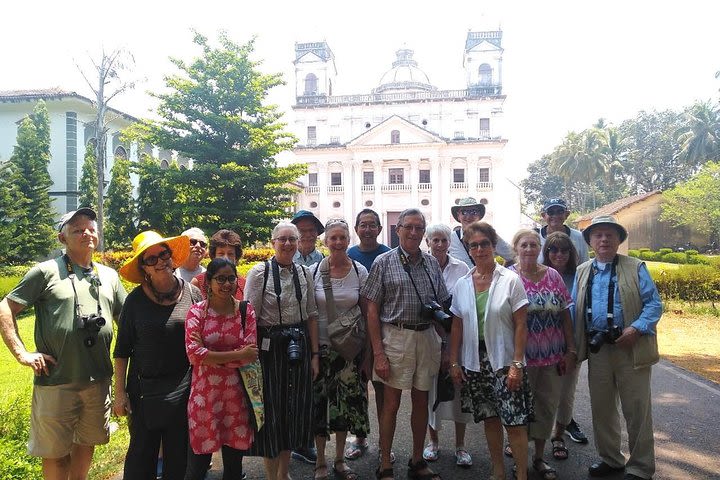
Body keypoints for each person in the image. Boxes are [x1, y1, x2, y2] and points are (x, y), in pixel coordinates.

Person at [0, 208, 126, 480]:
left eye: (91, 228)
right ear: (62, 237)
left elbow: (127, 321)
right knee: (55, 453)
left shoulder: (110, 276)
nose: (86, 233)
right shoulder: (45, 272)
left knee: (86, 442)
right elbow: (5, 308)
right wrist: (22, 353)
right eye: (78, 229)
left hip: (98, 378)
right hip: (55, 379)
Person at [363, 208, 449, 480]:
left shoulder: (431, 263)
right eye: (408, 226)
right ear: (397, 229)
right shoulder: (383, 262)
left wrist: (445, 346)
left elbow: (442, 303)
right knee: (391, 403)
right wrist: (378, 352)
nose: (414, 232)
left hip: (426, 337)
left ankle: (417, 459)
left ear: (424, 233)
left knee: (421, 400)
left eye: (419, 228)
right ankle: (385, 460)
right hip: (396, 337)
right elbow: (372, 310)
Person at [573, 216, 662, 480]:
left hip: (629, 348)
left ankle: (641, 467)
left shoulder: (635, 267)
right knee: (602, 409)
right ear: (589, 241)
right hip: (598, 350)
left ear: (618, 240)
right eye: (597, 235)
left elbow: (654, 305)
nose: (603, 240)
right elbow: (572, 306)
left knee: (636, 410)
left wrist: (635, 328)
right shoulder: (582, 270)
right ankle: (611, 459)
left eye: (609, 235)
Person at [113, 231, 201, 480]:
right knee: (141, 460)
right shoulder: (135, 301)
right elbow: (122, 351)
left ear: (172, 257)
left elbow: (202, 341)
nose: (160, 261)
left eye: (163, 254)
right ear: (144, 268)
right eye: (151, 259)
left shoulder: (193, 295)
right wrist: (119, 394)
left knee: (179, 461)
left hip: (184, 390)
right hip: (144, 392)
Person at [447, 221, 532, 480]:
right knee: (490, 418)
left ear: (494, 246)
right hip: (475, 362)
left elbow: (521, 324)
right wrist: (454, 362)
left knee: (515, 421)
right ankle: (498, 472)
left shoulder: (510, 280)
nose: (480, 249)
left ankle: (522, 476)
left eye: (485, 244)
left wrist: (517, 364)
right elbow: (457, 326)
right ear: (468, 249)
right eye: (474, 245)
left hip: (505, 361)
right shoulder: (462, 283)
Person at [243, 221, 320, 480]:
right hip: (269, 351)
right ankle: (270, 475)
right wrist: (250, 359)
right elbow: (249, 318)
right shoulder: (259, 272)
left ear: (299, 243)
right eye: (282, 239)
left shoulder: (304, 273)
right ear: (273, 242)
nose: (287, 244)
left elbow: (311, 314)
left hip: (298, 346)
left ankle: (283, 474)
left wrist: (315, 355)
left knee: (293, 411)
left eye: (292, 239)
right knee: (272, 412)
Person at [508, 229, 576, 480]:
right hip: (521, 358)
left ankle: (538, 458)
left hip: (551, 356)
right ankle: (520, 461)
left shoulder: (553, 275)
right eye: (524, 244)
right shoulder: (508, 277)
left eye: (534, 245)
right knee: (520, 410)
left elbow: (565, 314)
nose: (529, 249)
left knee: (546, 407)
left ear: (540, 249)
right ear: (516, 247)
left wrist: (570, 350)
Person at [184, 258, 259, 480]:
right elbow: (193, 355)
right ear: (208, 282)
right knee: (197, 467)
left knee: (234, 467)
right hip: (205, 399)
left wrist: (211, 355)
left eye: (230, 278)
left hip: (236, 398)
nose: (226, 284)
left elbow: (251, 356)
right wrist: (237, 354)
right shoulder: (197, 313)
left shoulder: (246, 312)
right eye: (220, 279)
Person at [311, 219, 369, 480]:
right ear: (325, 241)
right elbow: (310, 315)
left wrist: (366, 354)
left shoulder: (359, 271)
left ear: (348, 240)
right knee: (319, 405)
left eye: (341, 238)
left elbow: (368, 314)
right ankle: (320, 460)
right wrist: (312, 352)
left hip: (349, 352)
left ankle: (339, 459)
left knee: (345, 406)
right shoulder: (312, 271)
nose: (337, 242)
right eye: (332, 238)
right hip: (320, 349)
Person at [420, 224, 473, 467]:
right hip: (428, 338)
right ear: (427, 241)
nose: (439, 245)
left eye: (444, 240)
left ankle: (460, 446)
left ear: (449, 242)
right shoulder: (420, 266)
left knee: (458, 389)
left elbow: (465, 306)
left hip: (456, 338)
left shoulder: (462, 268)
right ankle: (434, 443)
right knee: (430, 390)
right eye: (435, 240)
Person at [345, 208, 391, 461]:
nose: (368, 229)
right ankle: (359, 437)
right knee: (357, 387)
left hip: (383, 329)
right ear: (356, 229)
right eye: (363, 225)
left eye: (372, 225)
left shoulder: (389, 255)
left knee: (382, 387)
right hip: (355, 331)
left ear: (380, 229)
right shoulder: (349, 255)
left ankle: (386, 443)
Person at [541, 232, 584, 459]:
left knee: (565, 394)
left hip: (570, 346)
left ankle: (558, 436)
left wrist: (574, 348)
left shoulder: (580, 276)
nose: (559, 254)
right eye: (553, 250)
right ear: (546, 252)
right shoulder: (538, 274)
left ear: (571, 252)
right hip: (541, 346)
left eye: (564, 250)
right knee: (539, 394)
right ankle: (528, 438)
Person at [448, 197, 513, 267]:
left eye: (474, 212)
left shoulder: (489, 235)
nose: (469, 216)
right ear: (458, 216)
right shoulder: (450, 239)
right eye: (464, 212)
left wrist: (501, 274)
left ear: (479, 216)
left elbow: (513, 256)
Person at [192, 229, 246, 301]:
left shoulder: (244, 284)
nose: (225, 258)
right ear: (213, 256)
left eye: (230, 254)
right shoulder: (198, 282)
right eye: (221, 254)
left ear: (236, 258)